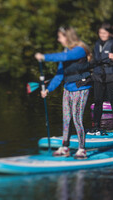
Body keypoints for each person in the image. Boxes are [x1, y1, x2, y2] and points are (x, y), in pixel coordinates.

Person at [34, 26, 92, 159]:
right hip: (68, 88)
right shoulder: (65, 52)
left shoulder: (79, 50)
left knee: (77, 119)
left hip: (80, 88)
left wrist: (44, 57)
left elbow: (66, 56)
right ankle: (65, 147)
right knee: (66, 119)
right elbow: (59, 75)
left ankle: (82, 149)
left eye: (60, 37)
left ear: (67, 37)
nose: (58, 40)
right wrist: (48, 89)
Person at [88, 23, 113, 136]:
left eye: (104, 33)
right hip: (98, 76)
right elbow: (94, 60)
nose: (102, 35)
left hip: (112, 76)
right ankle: (96, 128)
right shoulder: (97, 44)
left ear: (109, 33)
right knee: (98, 102)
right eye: (100, 33)